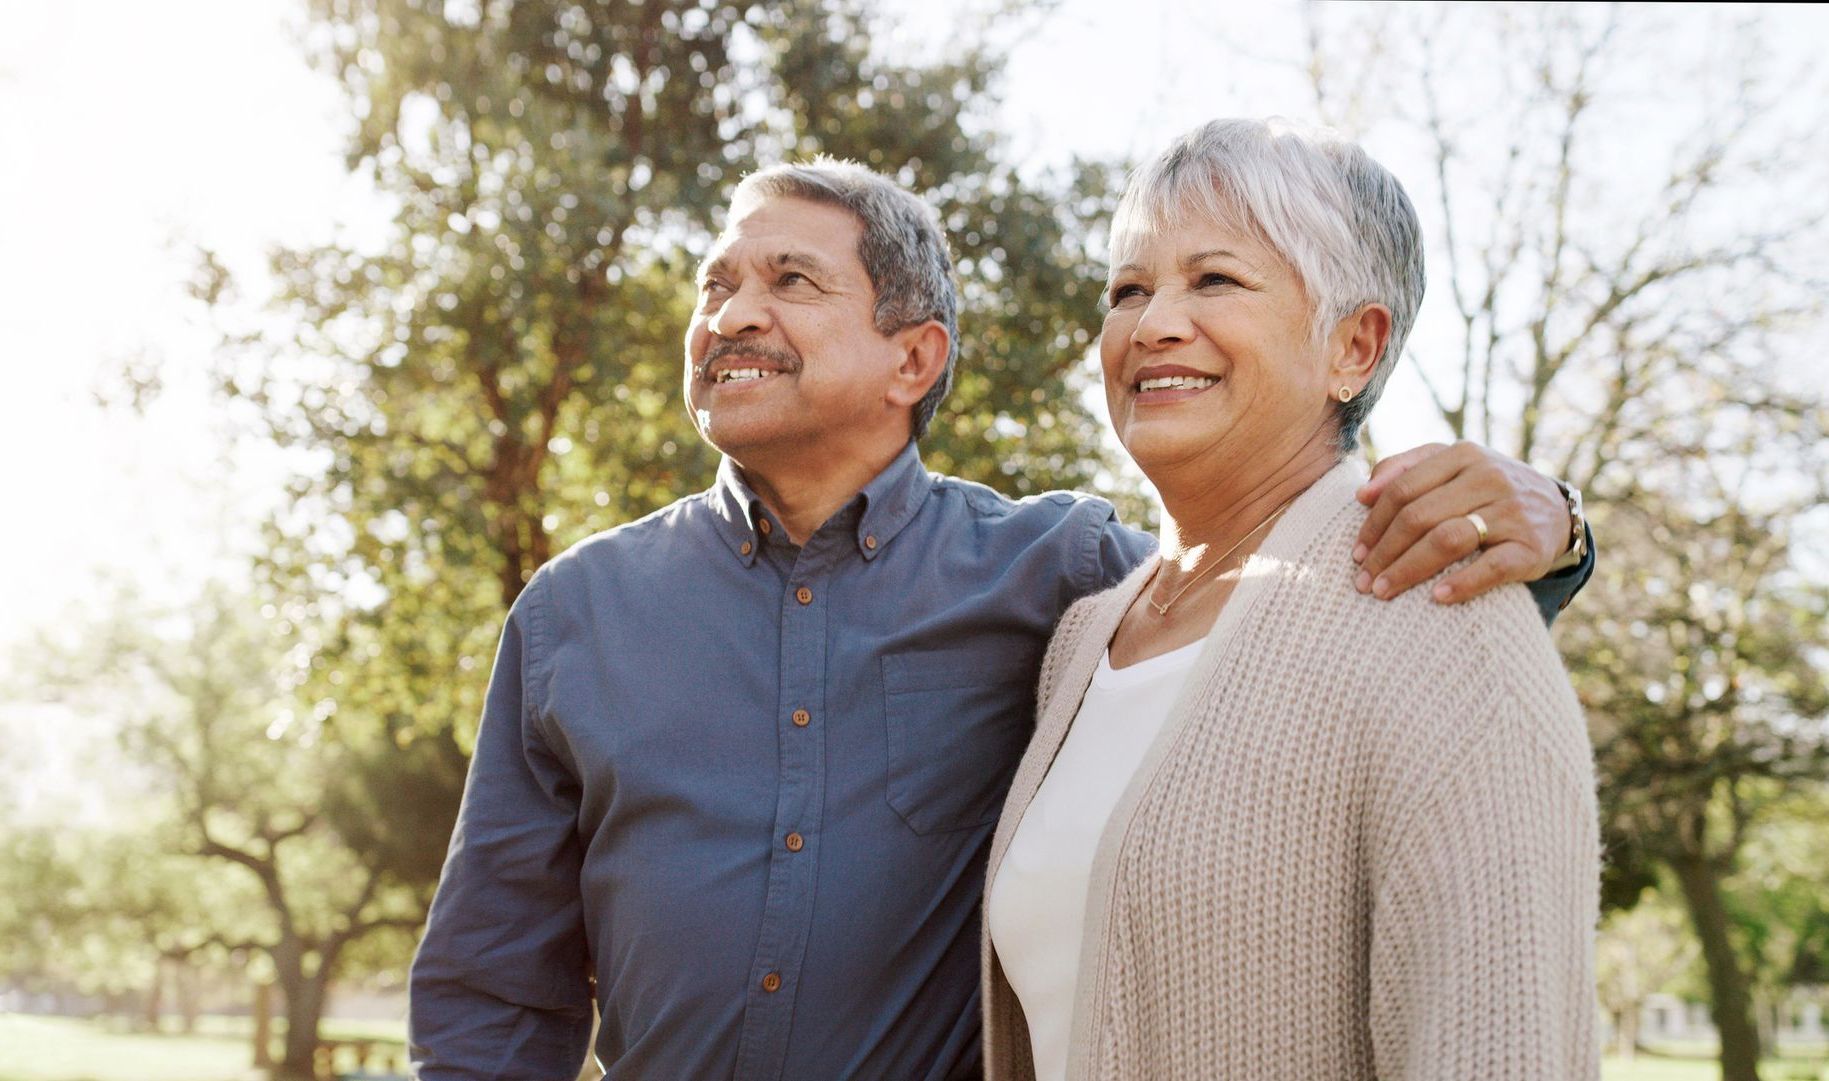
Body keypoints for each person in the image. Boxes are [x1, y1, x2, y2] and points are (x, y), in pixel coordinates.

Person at [409, 157, 1594, 1080]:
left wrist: (1552, 535)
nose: (730, 314)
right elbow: (495, 990)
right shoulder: (573, 614)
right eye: (716, 283)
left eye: (789, 282)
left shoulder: (1063, 580)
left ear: (911, 358)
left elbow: (1285, 611)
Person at [981, 118, 1599, 1081]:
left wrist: (1563, 522)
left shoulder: (1448, 623)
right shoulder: (1082, 639)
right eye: (1128, 290)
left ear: (1354, 346)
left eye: (1214, 279)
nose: (1152, 325)